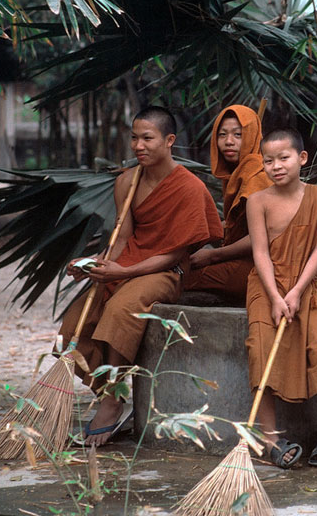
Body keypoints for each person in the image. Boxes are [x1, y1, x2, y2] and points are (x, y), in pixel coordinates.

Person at [61, 106, 223, 446]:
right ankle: (107, 390)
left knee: (121, 309)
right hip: (129, 262)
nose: (138, 145)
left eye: (147, 138)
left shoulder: (189, 187)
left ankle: (112, 401)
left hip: (165, 270)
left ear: (169, 141)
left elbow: (178, 254)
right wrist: (94, 264)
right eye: (134, 137)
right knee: (76, 321)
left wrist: (126, 272)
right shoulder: (127, 181)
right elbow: (121, 239)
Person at [245, 127, 317, 468]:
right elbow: (260, 253)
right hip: (265, 284)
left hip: (308, 283)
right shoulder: (257, 201)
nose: (276, 166)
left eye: (284, 158)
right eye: (268, 161)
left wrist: (297, 290)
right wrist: (275, 296)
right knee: (261, 349)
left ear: (302, 158)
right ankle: (270, 437)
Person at [184, 105, 272, 301]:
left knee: (178, 278)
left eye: (238, 135)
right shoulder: (238, 173)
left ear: (251, 136)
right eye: (222, 135)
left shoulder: (257, 175)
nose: (228, 142)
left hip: (260, 268)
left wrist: (214, 255)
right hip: (241, 261)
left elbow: (263, 235)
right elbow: (236, 225)